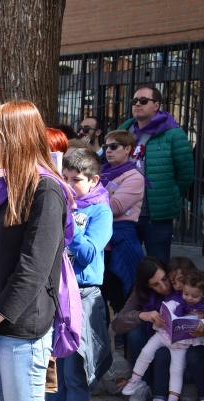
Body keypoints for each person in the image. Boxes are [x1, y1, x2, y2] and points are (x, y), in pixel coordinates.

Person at [0, 100, 72, 400]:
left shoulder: (47, 190)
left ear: (13, 139)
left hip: (20, 332)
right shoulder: (5, 187)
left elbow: (32, 270)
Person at [51, 148, 113, 401]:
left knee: (76, 373)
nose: (68, 185)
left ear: (93, 180)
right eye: (64, 178)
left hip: (83, 295)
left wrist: (70, 223)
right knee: (55, 377)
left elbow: (87, 253)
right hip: (57, 294)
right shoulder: (59, 203)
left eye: (75, 180)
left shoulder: (100, 212)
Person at [118, 84, 193, 264]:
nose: (137, 104)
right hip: (126, 212)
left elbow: (185, 174)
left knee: (158, 265)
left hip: (156, 215)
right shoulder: (124, 131)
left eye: (143, 101)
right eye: (134, 101)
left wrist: (169, 193)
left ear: (156, 105)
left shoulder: (173, 134)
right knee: (125, 264)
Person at [112, 257, 204, 401]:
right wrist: (143, 315)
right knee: (136, 335)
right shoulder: (142, 292)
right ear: (148, 286)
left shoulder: (190, 286)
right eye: (155, 285)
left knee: (190, 358)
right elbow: (117, 324)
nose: (164, 287)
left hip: (187, 347)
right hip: (161, 340)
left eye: (166, 279)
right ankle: (146, 385)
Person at [100, 130, 145, 314]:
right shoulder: (100, 172)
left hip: (122, 240)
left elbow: (114, 207)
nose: (108, 151)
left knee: (123, 299)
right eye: (105, 147)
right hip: (102, 241)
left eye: (113, 146)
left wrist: (91, 199)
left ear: (127, 149)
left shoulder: (135, 177)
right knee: (100, 299)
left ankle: (123, 342)